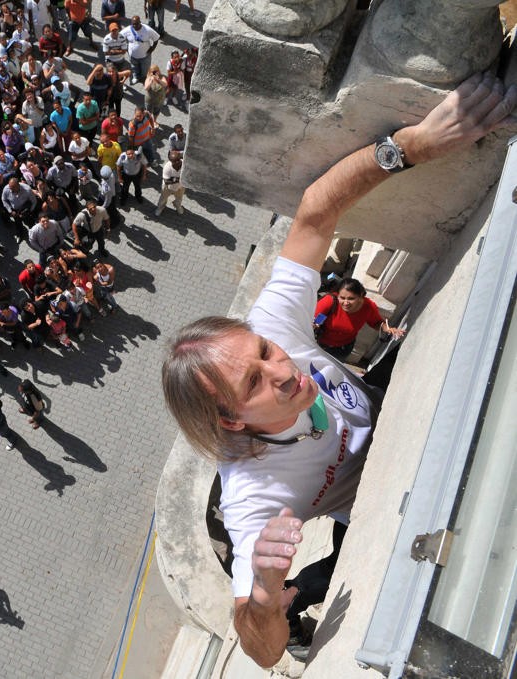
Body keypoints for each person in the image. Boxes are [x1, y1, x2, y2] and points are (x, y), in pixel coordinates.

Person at [159, 72, 515, 668]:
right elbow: (261, 651)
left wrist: (410, 145)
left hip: (381, 399)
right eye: (254, 383)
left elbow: (315, 213)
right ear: (231, 419)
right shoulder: (253, 495)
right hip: (365, 499)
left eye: (266, 353)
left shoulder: (273, 328)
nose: (280, 367)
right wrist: (268, 598)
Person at [313, 278, 406, 360]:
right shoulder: (329, 301)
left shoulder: (368, 307)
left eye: (351, 299)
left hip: (343, 349)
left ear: (360, 297)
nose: (345, 303)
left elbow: (377, 322)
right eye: (342, 298)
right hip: (320, 346)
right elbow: (313, 319)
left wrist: (388, 329)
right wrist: (314, 325)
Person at [156, 150, 185, 216]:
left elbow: (187, 177)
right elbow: (166, 181)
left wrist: (174, 179)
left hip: (180, 187)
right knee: (163, 198)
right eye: (175, 161)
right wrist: (179, 179)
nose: (177, 162)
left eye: (178, 159)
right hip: (168, 187)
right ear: (171, 161)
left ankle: (177, 206)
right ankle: (160, 207)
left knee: (179, 198)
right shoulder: (167, 167)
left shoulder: (184, 165)